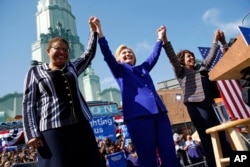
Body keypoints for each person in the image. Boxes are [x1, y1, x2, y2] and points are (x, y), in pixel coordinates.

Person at [92, 17, 178, 167]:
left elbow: (154, 56)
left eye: (130, 52)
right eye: (124, 53)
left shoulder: (143, 68)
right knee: (147, 158)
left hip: (160, 115)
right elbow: (106, 53)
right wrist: (100, 32)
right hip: (138, 117)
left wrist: (160, 38)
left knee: (169, 154)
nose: (128, 54)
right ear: (118, 59)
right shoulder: (119, 70)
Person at [22, 16, 106, 167]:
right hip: (52, 130)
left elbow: (88, 54)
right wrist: (32, 133)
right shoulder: (35, 72)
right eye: (57, 48)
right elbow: (28, 104)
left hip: (81, 126)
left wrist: (93, 32)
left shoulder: (72, 68)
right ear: (48, 51)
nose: (62, 52)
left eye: (65, 50)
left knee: (90, 162)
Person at [162, 28, 232, 167]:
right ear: (182, 61)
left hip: (210, 104)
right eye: (189, 57)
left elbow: (211, 57)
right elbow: (173, 58)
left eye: (193, 56)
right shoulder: (181, 71)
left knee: (221, 134)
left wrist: (215, 40)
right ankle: (213, 164)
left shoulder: (201, 68)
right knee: (208, 138)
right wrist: (165, 41)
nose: (192, 58)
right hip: (197, 107)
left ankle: (230, 161)